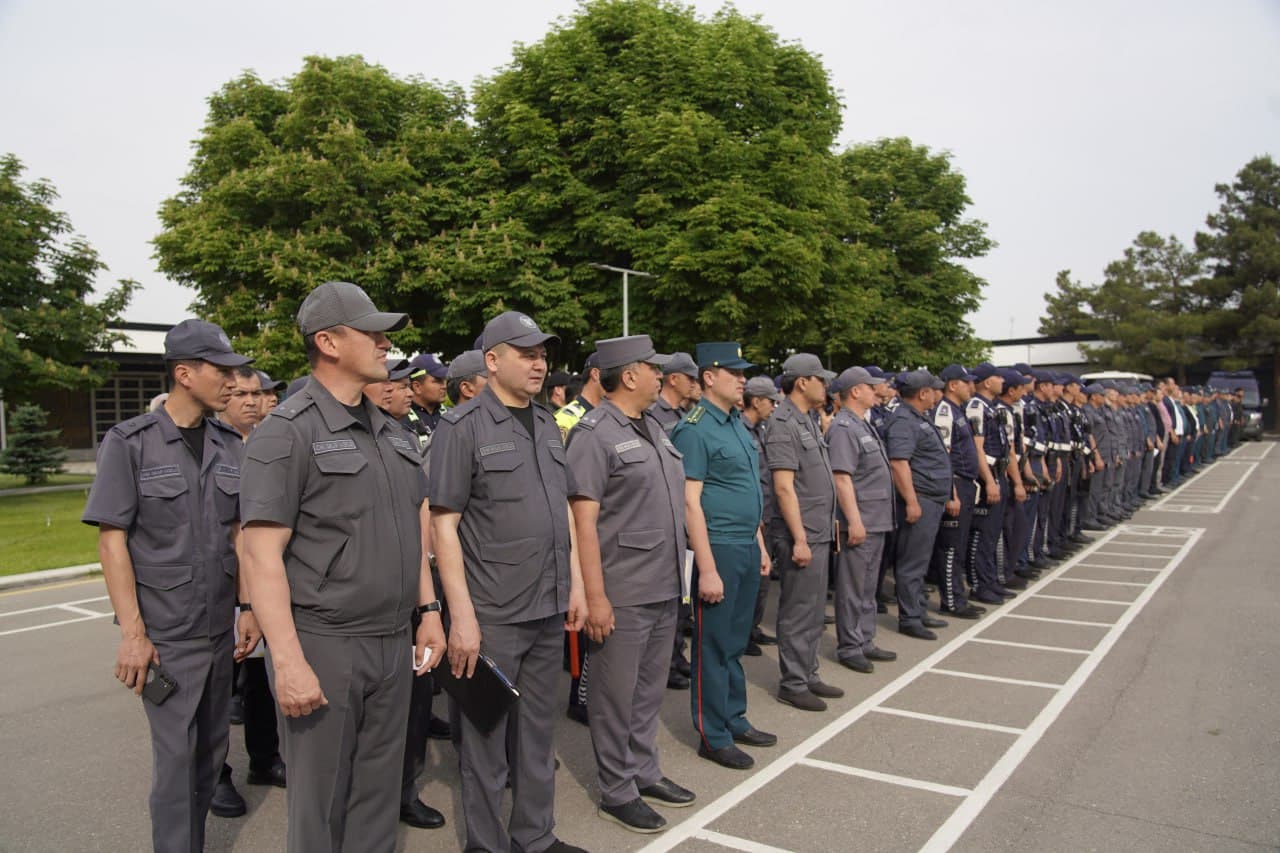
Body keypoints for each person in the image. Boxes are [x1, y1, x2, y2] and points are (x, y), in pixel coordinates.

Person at [238, 281, 447, 853]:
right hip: (325, 642)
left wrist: (427, 609)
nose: (385, 344)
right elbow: (260, 554)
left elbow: (411, 527)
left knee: (378, 796)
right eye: (373, 332)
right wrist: (286, 662)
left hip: (390, 639)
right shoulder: (288, 431)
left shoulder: (390, 431)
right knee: (321, 804)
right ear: (328, 342)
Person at [83, 319, 260, 853]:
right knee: (177, 759)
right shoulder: (129, 443)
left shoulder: (230, 443)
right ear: (185, 374)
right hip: (166, 636)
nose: (233, 381)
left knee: (209, 752)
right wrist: (134, 635)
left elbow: (239, 535)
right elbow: (112, 541)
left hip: (216, 632)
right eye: (221, 371)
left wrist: (247, 607)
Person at [429, 310, 588, 853]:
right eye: (527, 353)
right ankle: (487, 843)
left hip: (547, 604)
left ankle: (535, 837)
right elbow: (443, 525)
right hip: (493, 612)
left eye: (543, 353)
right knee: (484, 740)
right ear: (492, 361)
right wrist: (463, 617)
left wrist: (578, 588)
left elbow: (564, 512)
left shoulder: (547, 422)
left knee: (538, 736)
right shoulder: (461, 426)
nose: (539, 363)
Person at [567, 334, 697, 834]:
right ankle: (617, 788)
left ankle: (645, 770)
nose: (660, 375)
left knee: (647, 693)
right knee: (615, 695)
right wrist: (594, 596)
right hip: (621, 588)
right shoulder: (594, 433)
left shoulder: (654, 428)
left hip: (663, 583)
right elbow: (582, 522)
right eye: (652, 367)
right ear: (628, 375)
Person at [671, 342, 774, 771]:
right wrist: (708, 568)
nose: (743, 378)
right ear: (709, 377)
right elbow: (690, 503)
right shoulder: (694, 428)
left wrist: (761, 546)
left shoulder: (736, 424)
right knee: (713, 644)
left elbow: (747, 491)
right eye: (734, 371)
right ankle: (712, 734)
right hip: (719, 549)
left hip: (746, 546)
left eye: (743, 371)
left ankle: (734, 717)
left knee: (734, 642)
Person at [765, 353, 841, 712]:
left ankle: (807, 673)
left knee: (812, 610)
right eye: (821, 379)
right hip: (802, 533)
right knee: (797, 610)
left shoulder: (807, 419)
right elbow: (784, 487)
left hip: (817, 530)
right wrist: (798, 538)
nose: (826, 386)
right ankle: (792, 682)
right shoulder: (783, 423)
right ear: (802, 382)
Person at [827, 367, 897, 674]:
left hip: (876, 518)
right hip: (861, 520)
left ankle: (865, 639)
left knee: (868, 586)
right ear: (856, 391)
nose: (876, 390)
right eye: (870, 386)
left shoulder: (862, 424)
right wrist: (853, 522)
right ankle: (850, 645)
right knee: (853, 587)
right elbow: (842, 478)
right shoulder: (844, 427)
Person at [885, 370, 952, 641]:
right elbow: (899, 463)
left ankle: (918, 610)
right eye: (934, 390)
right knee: (912, 561)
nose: (938, 395)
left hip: (930, 498)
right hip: (920, 498)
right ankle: (910, 618)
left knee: (920, 560)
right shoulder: (903, 419)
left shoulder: (917, 417)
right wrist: (912, 502)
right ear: (923, 393)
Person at [931, 365, 985, 614]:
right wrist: (950, 493)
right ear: (952, 385)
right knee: (951, 547)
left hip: (965, 484)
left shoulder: (959, 411)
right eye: (966, 382)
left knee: (960, 544)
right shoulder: (944, 412)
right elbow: (945, 456)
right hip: (955, 484)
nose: (971, 387)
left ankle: (959, 595)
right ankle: (952, 601)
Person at [741, 376, 782, 655]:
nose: (774, 406)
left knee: (761, 581)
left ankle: (752, 629)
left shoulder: (759, 428)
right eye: (771, 401)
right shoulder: (741, 430)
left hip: (765, 514)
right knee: (749, 581)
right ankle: (742, 634)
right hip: (750, 518)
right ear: (756, 401)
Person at [406, 352, 449, 452]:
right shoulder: (401, 421)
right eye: (437, 381)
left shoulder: (453, 415)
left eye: (444, 380)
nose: (444, 386)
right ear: (417, 387)